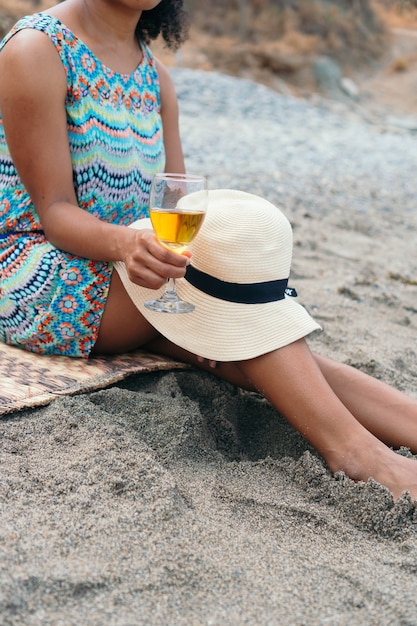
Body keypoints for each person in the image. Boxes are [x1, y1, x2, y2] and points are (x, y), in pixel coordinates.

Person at [0, 0, 416, 503]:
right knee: (244, 317)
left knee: (260, 345)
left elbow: (180, 203)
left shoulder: (156, 79)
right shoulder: (36, 50)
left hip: (137, 269)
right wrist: (134, 246)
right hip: (42, 272)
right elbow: (55, 213)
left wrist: (189, 271)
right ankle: (357, 455)